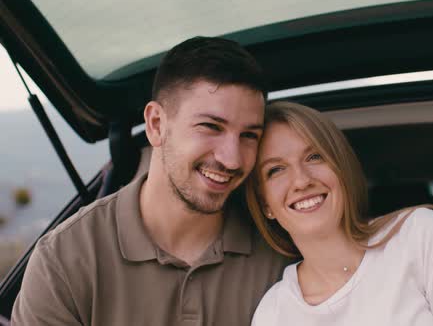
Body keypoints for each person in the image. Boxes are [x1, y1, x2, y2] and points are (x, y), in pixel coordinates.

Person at [12, 37, 290, 326]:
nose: (232, 159)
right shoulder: (65, 259)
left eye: (249, 136)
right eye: (210, 126)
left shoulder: (281, 250)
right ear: (156, 124)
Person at [246, 101, 433, 326]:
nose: (301, 181)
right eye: (276, 170)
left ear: (341, 168)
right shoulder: (274, 313)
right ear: (265, 205)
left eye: (314, 157)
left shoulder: (419, 235)